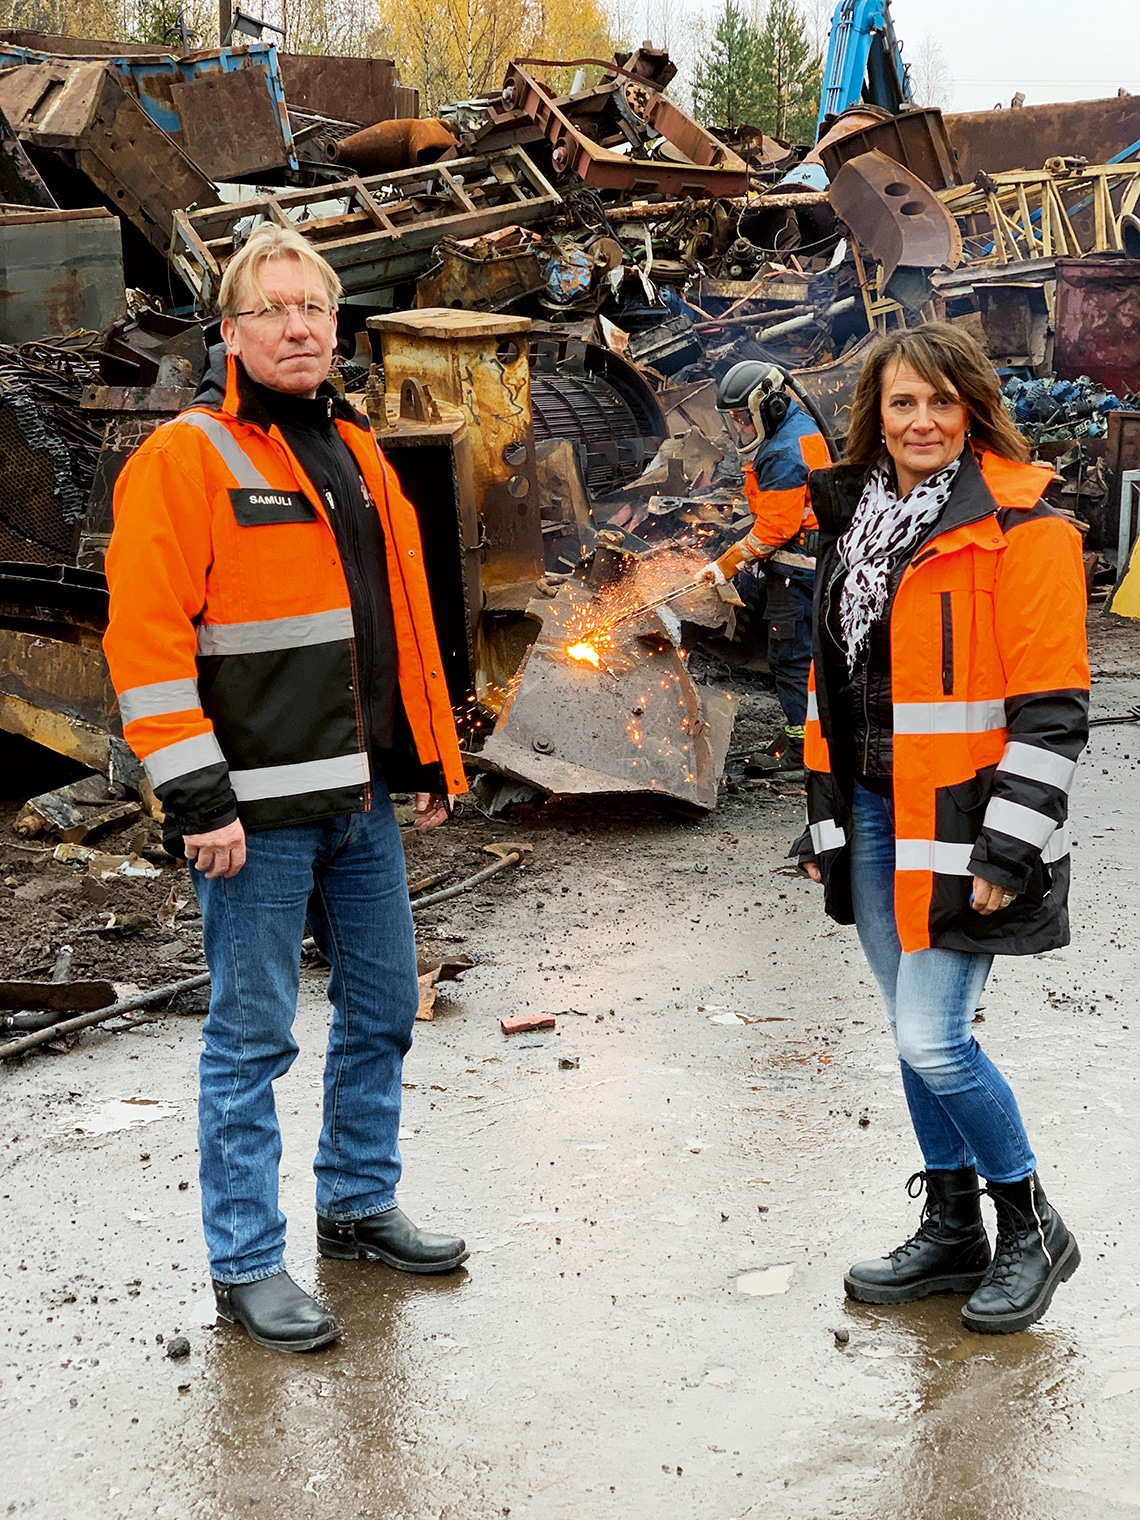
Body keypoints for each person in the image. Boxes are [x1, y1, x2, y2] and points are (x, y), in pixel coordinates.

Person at [103, 225, 471, 1354]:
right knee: (252, 1037)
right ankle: (247, 1265)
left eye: (314, 307)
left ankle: (356, 1205)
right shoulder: (189, 456)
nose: (299, 327)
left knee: (384, 1009)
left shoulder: (355, 448)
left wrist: (430, 760)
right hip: (251, 815)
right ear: (231, 331)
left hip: (360, 801)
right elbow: (145, 643)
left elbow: (395, 624)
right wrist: (197, 799)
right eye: (273, 310)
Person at [796, 322, 1089, 1334]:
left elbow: (1052, 710)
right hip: (878, 815)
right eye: (902, 403)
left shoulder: (1025, 528)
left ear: (972, 410)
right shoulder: (854, 523)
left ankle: (1031, 1225)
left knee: (934, 1036)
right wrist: (824, 815)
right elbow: (833, 687)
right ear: (876, 418)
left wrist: (1008, 847)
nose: (922, 421)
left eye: (940, 402)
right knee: (909, 1033)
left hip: (966, 827)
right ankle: (953, 1224)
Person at [700, 362, 831, 769]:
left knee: (790, 661)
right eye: (734, 418)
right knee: (814, 659)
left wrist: (725, 566)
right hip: (814, 566)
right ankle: (812, 734)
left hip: (795, 573)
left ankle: (801, 750)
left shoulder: (782, 454)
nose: (739, 426)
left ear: (770, 406)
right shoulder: (800, 427)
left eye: (743, 417)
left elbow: (773, 531)